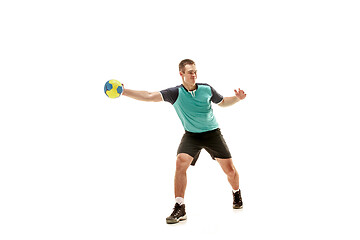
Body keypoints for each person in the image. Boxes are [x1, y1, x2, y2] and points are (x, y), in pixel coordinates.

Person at [122, 59, 246, 224]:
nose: (194, 75)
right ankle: (180, 206)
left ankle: (236, 192)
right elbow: (149, 96)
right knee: (181, 162)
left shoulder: (206, 89)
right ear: (181, 74)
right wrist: (123, 91)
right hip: (192, 135)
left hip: (212, 134)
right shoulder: (175, 93)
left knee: (230, 171)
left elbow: (223, 102)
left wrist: (237, 98)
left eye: (195, 71)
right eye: (190, 72)